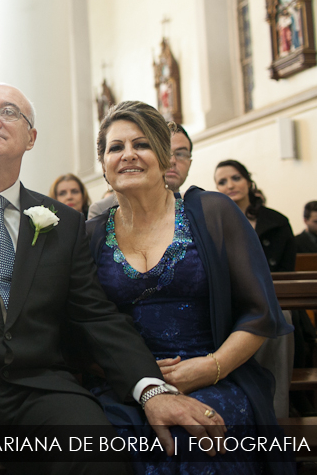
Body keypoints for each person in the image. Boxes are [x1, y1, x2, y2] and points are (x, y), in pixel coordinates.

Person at [0, 84, 226, 475]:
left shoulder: (63, 220)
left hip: (39, 388)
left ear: (31, 138)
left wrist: (151, 389)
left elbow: (95, 316)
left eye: (9, 112)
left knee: (101, 459)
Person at [86, 101, 293, 473]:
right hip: (126, 386)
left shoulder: (213, 213)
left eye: (142, 144)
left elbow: (259, 313)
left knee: (196, 434)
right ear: (103, 164)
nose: (128, 154)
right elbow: (85, 326)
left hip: (216, 374)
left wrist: (210, 368)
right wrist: (142, 381)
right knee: (105, 443)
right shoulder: (90, 237)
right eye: (116, 147)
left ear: (166, 158)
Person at [214, 159, 307, 417]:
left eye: (235, 178)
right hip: (235, 304)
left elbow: (286, 272)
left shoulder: (277, 222)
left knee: (279, 317)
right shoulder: (214, 223)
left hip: (275, 300)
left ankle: (275, 418)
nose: (230, 185)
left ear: (248, 182)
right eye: (222, 181)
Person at [88, 125, 193, 219]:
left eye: (180, 154)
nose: (172, 161)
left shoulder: (199, 206)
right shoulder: (101, 214)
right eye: (116, 148)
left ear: (190, 163)